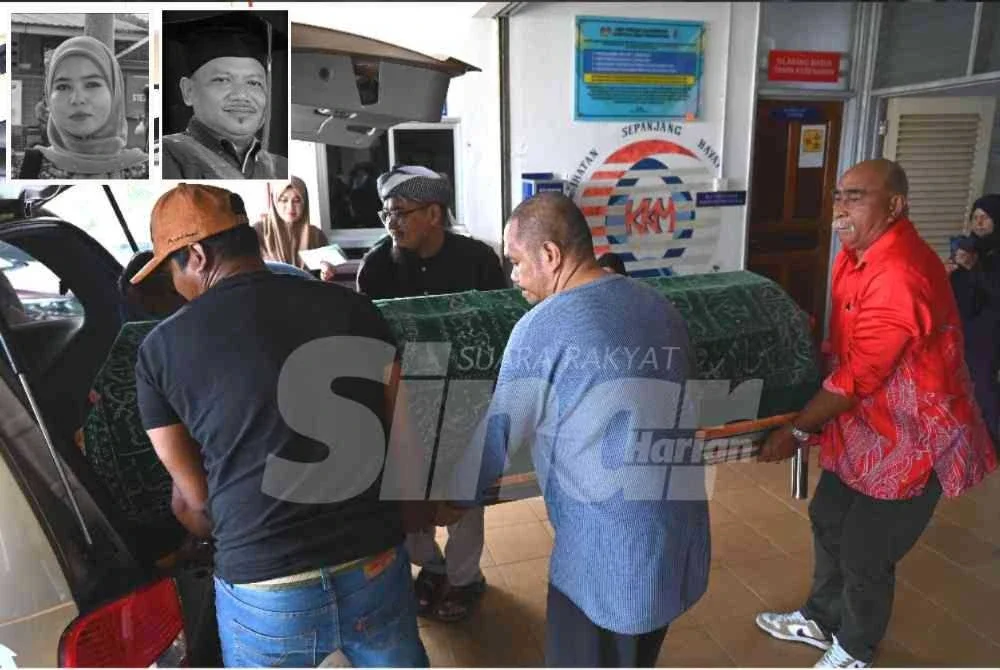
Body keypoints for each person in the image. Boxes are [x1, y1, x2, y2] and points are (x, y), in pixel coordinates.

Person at [131, 183, 427, 667]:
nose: (175, 285)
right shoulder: (350, 306)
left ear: (198, 255)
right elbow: (405, 438)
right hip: (373, 558)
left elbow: (193, 502)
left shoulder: (159, 351)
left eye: (172, 268)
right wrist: (413, 520)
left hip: (266, 586)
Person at [444, 192, 710, 667]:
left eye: (516, 261)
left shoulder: (542, 326)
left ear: (550, 255)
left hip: (608, 557)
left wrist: (440, 501)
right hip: (676, 536)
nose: (513, 277)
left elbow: (495, 442)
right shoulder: (657, 304)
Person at [755, 160, 998, 668]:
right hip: (866, 423)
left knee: (867, 551)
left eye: (856, 196)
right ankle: (822, 620)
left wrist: (798, 428)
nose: (841, 207)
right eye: (839, 195)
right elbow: (846, 351)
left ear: (894, 205)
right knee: (828, 515)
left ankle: (855, 648)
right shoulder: (856, 253)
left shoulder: (900, 272)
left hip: (915, 437)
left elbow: (857, 377)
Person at [355, 165, 507, 623]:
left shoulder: (478, 260)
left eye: (400, 212)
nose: (391, 223)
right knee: (407, 497)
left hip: (467, 399)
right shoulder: (376, 268)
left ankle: (464, 579)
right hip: (404, 402)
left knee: (464, 496)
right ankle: (432, 568)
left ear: (434, 213)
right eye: (386, 213)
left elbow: (499, 328)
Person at [162, 13, 287, 179]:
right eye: (222, 80)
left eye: (254, 83)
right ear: (188, 91)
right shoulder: (166, 157)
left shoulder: (281, 169)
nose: (242, 95)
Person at [14, 36, 148, 179]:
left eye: (92, 84)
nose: (77, 99)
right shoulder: (22, 169)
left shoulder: (151, 170)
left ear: (114, 92)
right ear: (48, 97)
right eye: (63, 86)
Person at [948, 195, 1000, 447]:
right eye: (975, 217)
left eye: (985, 218)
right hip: (966, 326)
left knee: (983, 384)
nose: (978, 223)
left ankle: (993, 440)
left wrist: (975, 268)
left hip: (990, 329)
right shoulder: (969, 247)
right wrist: (951, 272)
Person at [253, 177, 331, 275]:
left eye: (297, 200)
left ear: (304, 202)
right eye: (284, 200)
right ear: (275, 202)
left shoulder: (316, 235)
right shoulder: (258, 232)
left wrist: (326, 273)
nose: (291, 207)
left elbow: (322, 274)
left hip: (307, 289)